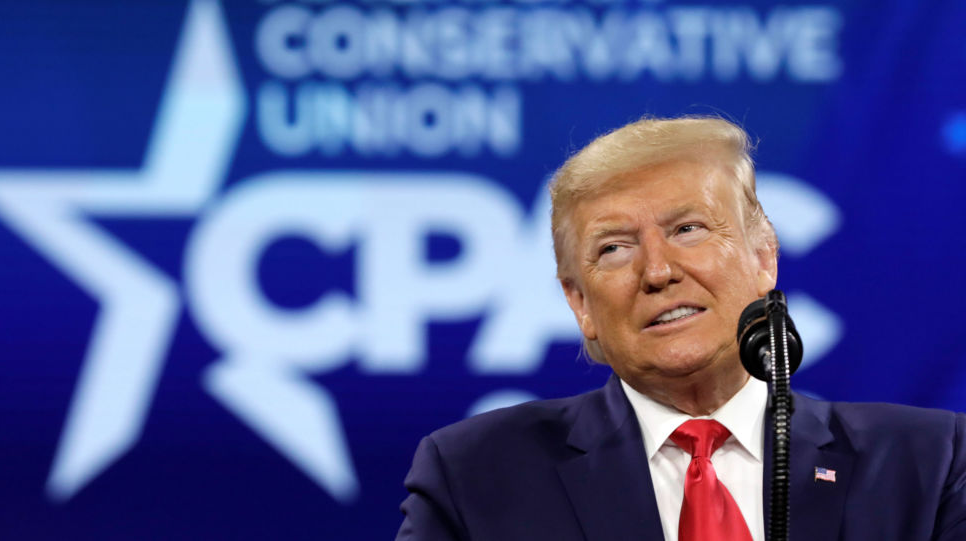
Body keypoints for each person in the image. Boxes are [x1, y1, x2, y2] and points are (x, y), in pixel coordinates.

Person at [395, 116, 966, 541]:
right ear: (579, 303)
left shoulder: (928, 461)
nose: (658, 272)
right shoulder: (475, 475)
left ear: (763, 257)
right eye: (614, 248)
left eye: (688, 229)